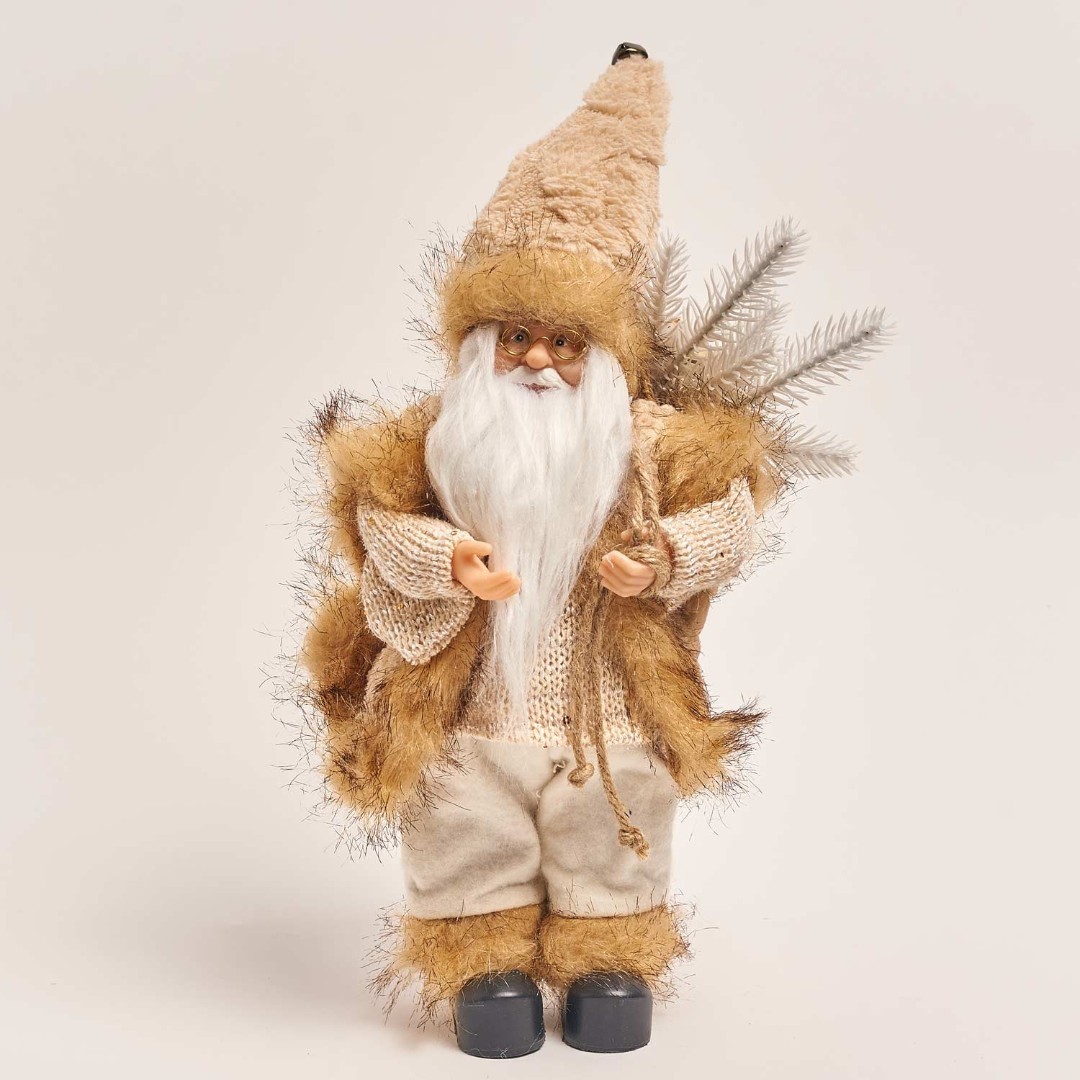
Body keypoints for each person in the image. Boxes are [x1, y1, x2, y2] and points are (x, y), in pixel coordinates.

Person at [300, 44, 782, 1057]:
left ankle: (608, 962)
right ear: (479, 344)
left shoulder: (647, 447)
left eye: (565, 344)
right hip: (469, 714)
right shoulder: (437, 443)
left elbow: (734, 518)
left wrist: (663, 557)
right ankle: (486, 969)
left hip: (606, 715)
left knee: (612, 827)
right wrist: (445, 560)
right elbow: (380, 524)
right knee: (464, 826)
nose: (536, 361)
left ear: (600, 358)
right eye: (515, 336)